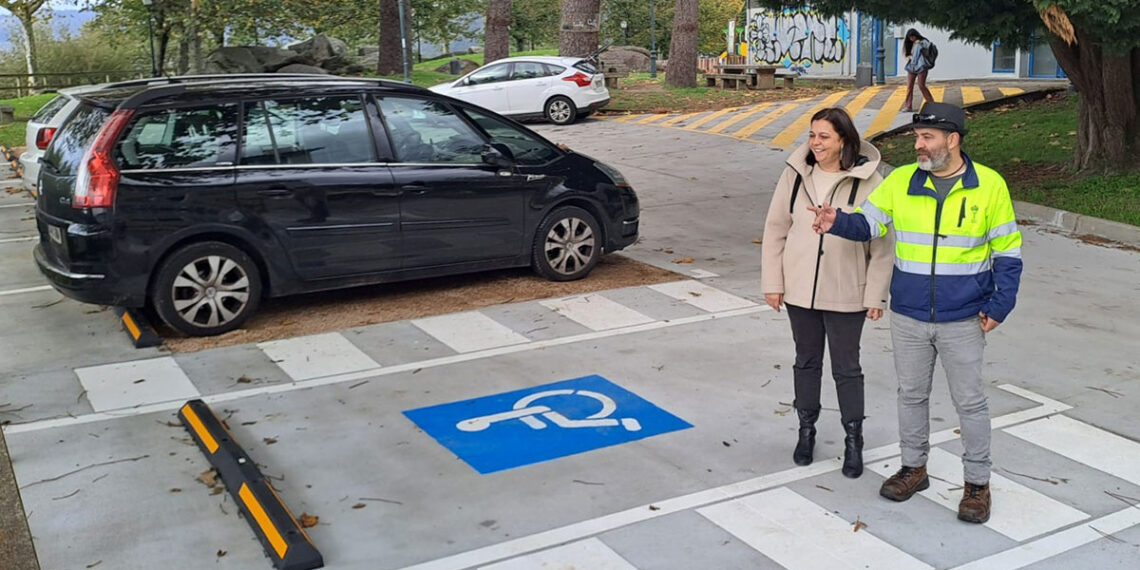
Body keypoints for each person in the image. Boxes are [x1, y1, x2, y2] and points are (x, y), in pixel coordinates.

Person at [808, 102, 1023, 524]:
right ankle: (914, 468)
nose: (918, 145)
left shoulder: (990, 186)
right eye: (916, 137)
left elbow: (1008, 253)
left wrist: (1001, 304)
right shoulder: (901, 180)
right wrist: (837, 220)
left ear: (953, 140)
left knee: (971, 403)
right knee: (911, 395)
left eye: (926, 138)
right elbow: (869, 225)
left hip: (963, 316)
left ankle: (977, 485)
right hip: (908, 314)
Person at [761, 108, 894, 479]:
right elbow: (775, 229)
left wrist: (875, 295)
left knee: (846, 368)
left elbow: (883, 244)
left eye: (824, 137)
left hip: (847, 292)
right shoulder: (795, 174)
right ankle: (806, 430)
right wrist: (774, 283)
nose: (815, 144)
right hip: (799, 290)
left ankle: (854, 438)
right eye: (812, 135)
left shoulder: (870, 181)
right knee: (806, 361)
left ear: (844, 141)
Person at [902, 29, 935, 113]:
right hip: (911, 67)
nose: (911, 39)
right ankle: (908, 106)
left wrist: (920, 43)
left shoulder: (923, 42)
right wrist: (908, 57)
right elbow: (906, 54)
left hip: (922, 67)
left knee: (921, 85)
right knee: (909, 86)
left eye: (913, 37)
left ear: (916, 35)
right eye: (910, 38)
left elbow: (929, 49)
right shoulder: (910, 44)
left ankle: (931, 103)